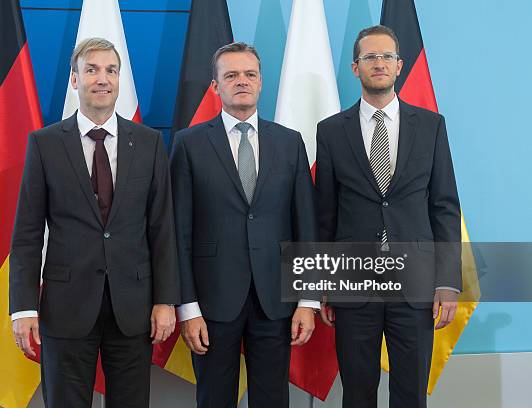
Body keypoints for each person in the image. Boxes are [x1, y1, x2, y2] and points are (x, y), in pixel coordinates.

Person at [9, 37, 180, 408]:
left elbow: (162, 227)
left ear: (119, 80)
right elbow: (26, 234)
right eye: (92, 70)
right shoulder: (45, 144)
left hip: (133, 308)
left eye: (111, 70)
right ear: (74, 79)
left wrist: (166, 300)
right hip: (66, 307)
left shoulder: (149, 143)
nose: (102, 79)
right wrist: (23, 308)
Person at [315, 25, 461, 408]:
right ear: (355, 68)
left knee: (410, 393)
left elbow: (444, 206)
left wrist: (447, 282)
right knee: (357, 393)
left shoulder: (431, 126)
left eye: (386, 57)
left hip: (415, 285)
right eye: (369, 57)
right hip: (353, 286)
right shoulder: (330, 131)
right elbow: (325, 214)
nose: (378, 63)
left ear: (399, 66)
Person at [170, 42, 318, 408]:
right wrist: (188, 308)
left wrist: (309, 300)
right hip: (211, 301)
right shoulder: (188, 144)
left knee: (272, 399)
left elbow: (306, 226)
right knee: (214, 398)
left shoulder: (290, 143)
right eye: (231, 75)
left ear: (261, 82)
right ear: (216, 86)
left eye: (249, 74)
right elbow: (177, 231)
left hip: (276, 299)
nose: (242, 81)